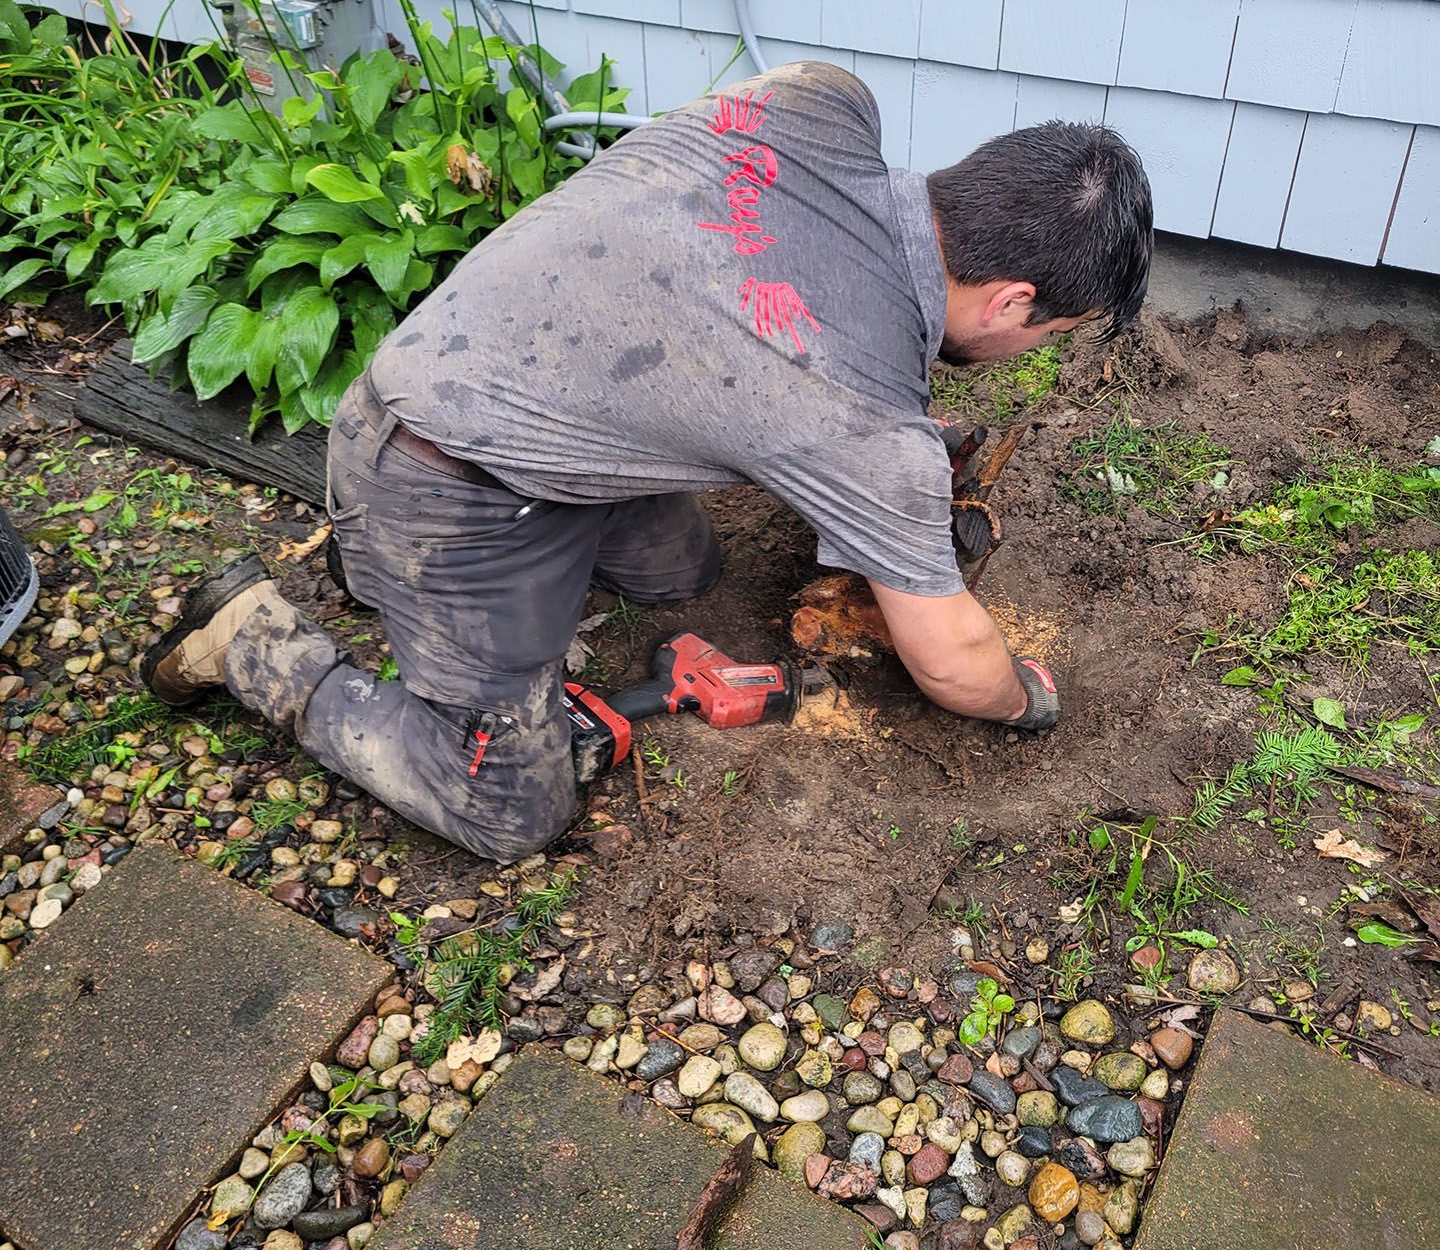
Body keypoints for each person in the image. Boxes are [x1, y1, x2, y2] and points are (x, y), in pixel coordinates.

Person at [142, 62, 1153, 863]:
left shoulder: (816, 98)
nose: (1036, 351)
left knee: (684, 573)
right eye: (1051, 333)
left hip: (504, 366)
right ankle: (255, 639)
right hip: (438, 472)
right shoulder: (867, 432)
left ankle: (399, 584)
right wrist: (1026, 696)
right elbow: (953, 665)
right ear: (1014, 300)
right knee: (509, 810)